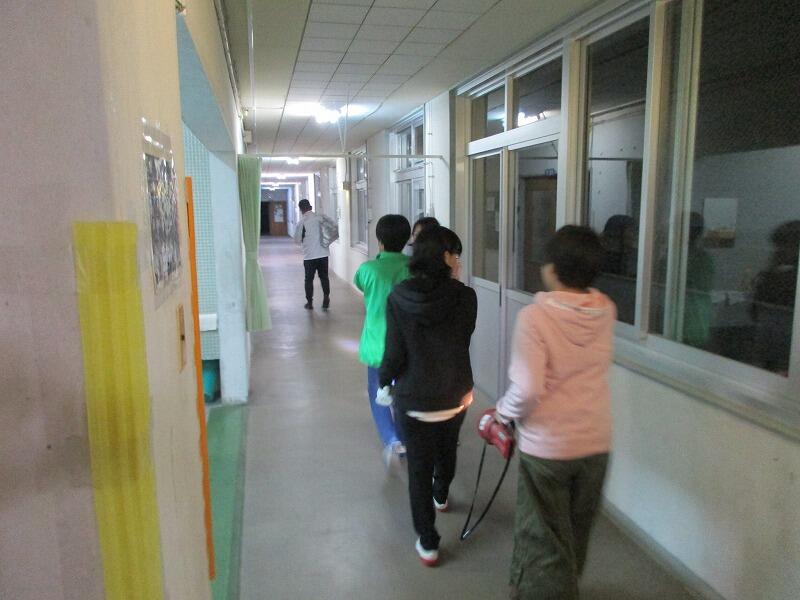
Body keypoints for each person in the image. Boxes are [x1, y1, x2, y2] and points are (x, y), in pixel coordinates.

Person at [495, 225, 615, 600]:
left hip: (548, 447)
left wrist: (502, 413)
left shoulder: (536, 317)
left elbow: (528, 388)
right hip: (595, 442)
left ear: (551, 268)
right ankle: (555, 586)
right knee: (575, 532)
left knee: (543, 537)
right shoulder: (605, 310)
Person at [379, 226, 477, 567]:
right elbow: (462, 338)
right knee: (447, 450)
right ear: (445, 257)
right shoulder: (466, 297)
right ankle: (442, 492)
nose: (459, 262)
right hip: (454, 396)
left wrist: (384, 381)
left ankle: (428, 542)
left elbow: (394, 352)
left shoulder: (398, 297)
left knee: (418, 470)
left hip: (413, 400)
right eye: (456, 255)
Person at [353, 215, 412, 465]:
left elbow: (360, 285)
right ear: (406, 240)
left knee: (378, 392)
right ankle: (407, 437)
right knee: (404, 393)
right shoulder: (413, 268)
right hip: (408, 346)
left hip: (378, 345)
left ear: (380, 241)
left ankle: (391, 438)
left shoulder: (368, 270)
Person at [293, 198, 330, 310]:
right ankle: (326, 297)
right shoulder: (320, 218)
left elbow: (297, 240)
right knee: (324, 277)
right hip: (323, 254)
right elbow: (331, 229)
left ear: (301, 210)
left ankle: (310, 303)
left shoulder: (301, 223)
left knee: (308, 280)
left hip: (309, 256)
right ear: (311, 207)